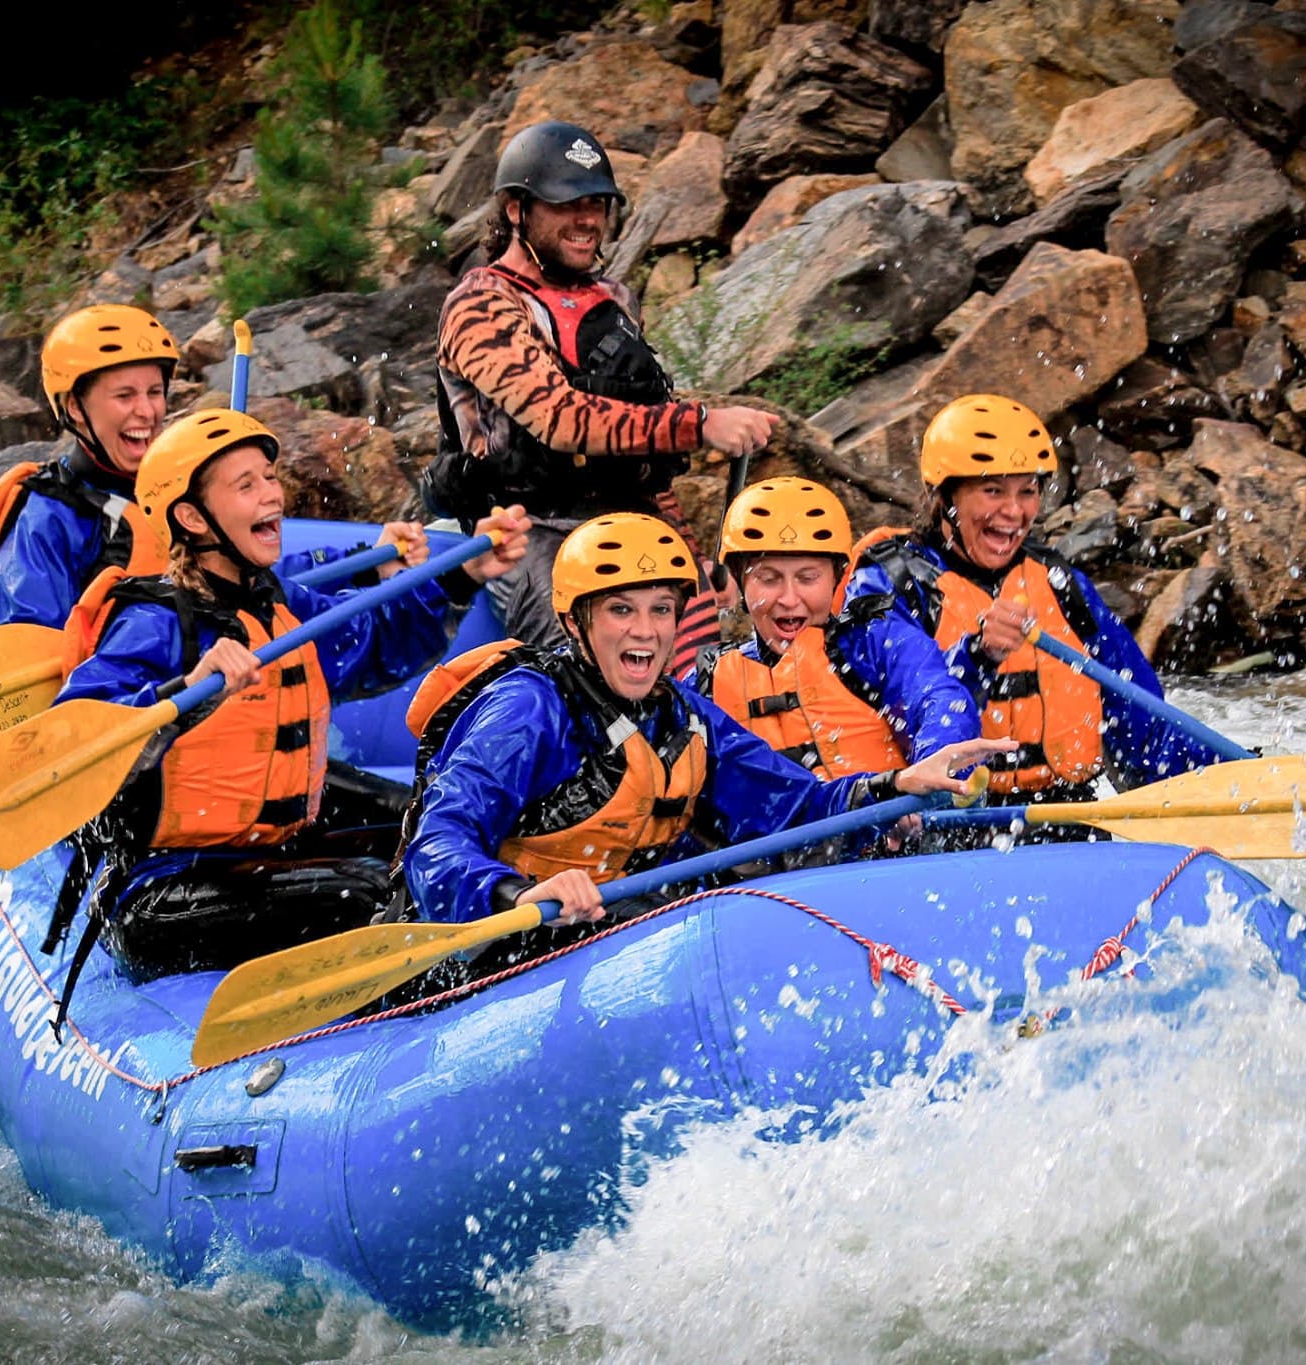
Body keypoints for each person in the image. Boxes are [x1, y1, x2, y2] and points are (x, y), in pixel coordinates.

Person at [50, 407, 531, 983]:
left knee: (430, 825)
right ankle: (458, 986)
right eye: (246, 485)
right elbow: (69, 745)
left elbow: (373, 644)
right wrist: (184, 693)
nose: (271, 496)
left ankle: (529, 934)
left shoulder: (276, 604)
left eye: (270, 478)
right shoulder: (156, 625)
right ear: (192, 517)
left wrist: (461, 575)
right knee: (364, 894)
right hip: (163, 893)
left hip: (269, 850)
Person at [397, 512, 1004, 929]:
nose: (644, 630)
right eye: (620, 610)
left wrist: (894, 788)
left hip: (605, 940)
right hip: (492, 951)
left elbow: (794, 810)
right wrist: (515, 896)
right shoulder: (528, 710)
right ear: (576, 623)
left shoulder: (684, 718)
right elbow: (440, 841)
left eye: (661, 609)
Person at [422, 118, 779, 654]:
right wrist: (701, 425)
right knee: (593, 675)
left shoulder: (614, 300)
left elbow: (643, 450)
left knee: (706, 675)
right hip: (529, 531)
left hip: (634, 516)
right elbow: (558, 418)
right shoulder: (481, 304)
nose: (587, 219)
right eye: (567, 205)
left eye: (596, 204)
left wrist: (691, 549)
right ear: (517, 210)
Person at [843, 394, 1215, 805]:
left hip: (1065, 811)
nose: (1014, 511)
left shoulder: (1058, 582)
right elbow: (908, 704)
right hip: (947, 820)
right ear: (946, 498)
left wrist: (1222, 780)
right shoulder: (888, 584)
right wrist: (979, 657)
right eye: (992, 490)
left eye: (1028, 491)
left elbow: (1142, 718)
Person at [691, 477, 978, 777]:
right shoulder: (707, 682)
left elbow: (938, 697)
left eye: (807, 578)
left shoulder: (872, 642)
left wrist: (938, 762)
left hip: (891, 820)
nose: (789, 599)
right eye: (769, 578)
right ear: (740, 582)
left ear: (837, 579)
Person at [0, 304, 180, 629]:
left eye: (155, 392)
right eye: (125, 396)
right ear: (75, 407)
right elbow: (28, 640)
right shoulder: (47, 520)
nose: (147, 412)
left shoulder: (191, 482)